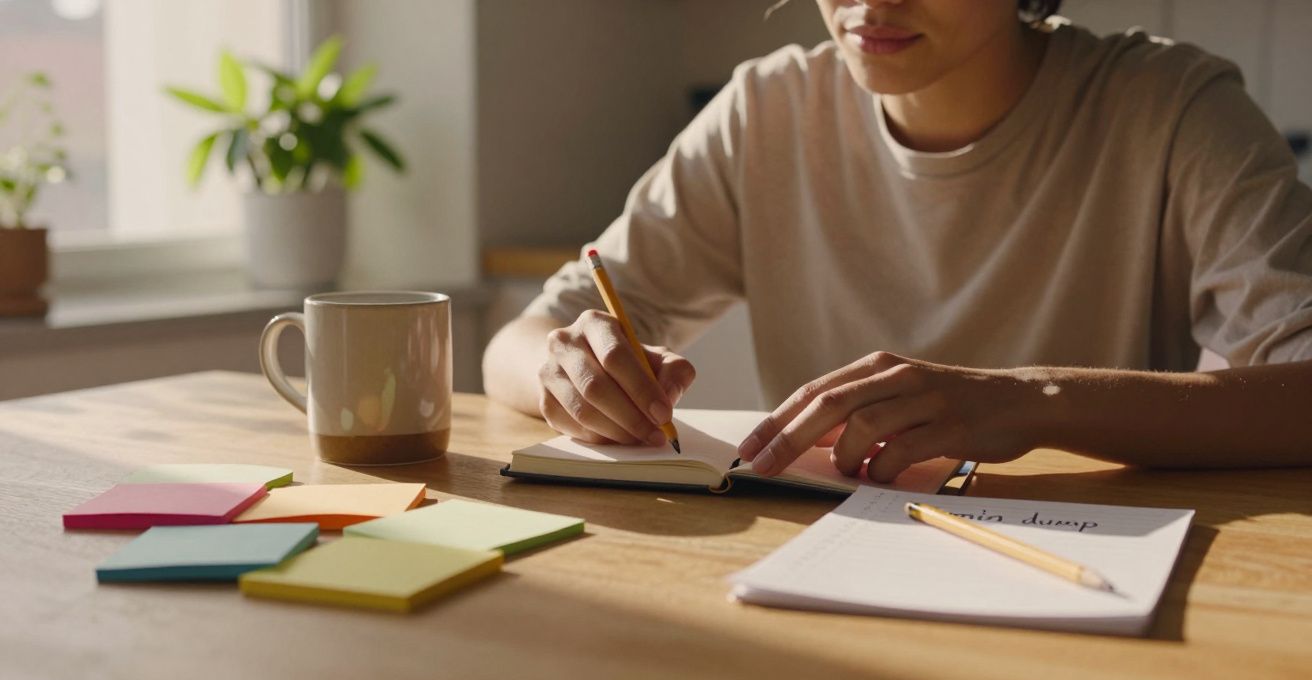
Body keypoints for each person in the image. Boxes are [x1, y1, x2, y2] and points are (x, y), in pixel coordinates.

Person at [482, 0, 1312, 484]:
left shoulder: (1173, 109)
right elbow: (517, 345)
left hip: (1089, 571)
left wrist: (1028, 400)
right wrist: (571, 372)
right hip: (817, 572)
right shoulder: (765, 112)